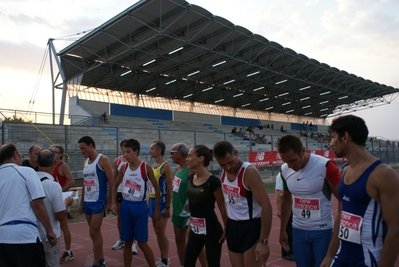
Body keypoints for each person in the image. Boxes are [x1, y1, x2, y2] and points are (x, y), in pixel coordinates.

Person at [321, 115, 399, 266]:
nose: (331, 143)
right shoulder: (344, 171)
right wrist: (329, 255)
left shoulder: (382, 174)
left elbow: (395, 229)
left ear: (345, 137)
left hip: (368, 260)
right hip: (342, 257)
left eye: (333, 137)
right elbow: (341, 215)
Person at [277, 135, 342, 267]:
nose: (290, 165)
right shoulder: (284, 170)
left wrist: (338, 231)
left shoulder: (326, 166)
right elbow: (287, 199)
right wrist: (282, 230)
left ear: (302, 150)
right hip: (298, 231)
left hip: (322, 232)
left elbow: (343, 200)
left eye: (293, 160)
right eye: (286, 161)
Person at [213, 141, 272, 267]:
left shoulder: (249, 172)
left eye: (230, 162)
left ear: (236, 153)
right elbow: (228, 203)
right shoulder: (223, 173)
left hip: (250, 227)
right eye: (223, 165)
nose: (228, 167)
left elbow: (266, 205)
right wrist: (226, 227)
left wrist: (263, 240)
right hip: (233, 226)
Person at [0, 143, 57, 266]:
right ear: (15, 155)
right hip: (25, 236)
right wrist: (49, 230)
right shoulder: (26, 172)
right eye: (20, 155)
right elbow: (37, 203)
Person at [111, 138, 161, 267]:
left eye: (128, 152)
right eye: (123, 152)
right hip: (126, 206)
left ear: (136, 152)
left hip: (140, 207)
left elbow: (156, 188)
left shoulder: (145, 167)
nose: (125, 155)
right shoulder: (123, 167)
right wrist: (112, 203)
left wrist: (156, 209)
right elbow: (115, 185)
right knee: (127, 241)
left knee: (142, 243)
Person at [184, 145, 228, 267]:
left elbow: (222, 207)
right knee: (187, 262)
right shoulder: (190, 178)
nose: (187, 159)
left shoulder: (213, 182)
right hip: (195, 229)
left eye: (189, 155)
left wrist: (226, 229)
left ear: (200, 159)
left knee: (213, 264)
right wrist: (190, 225)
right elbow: (193, 206)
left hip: (212, 231)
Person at [169, 142, 208, 267]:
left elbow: (198, 190)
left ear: (179, 153)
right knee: (179, 241)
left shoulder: (190, 169)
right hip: (177, 211)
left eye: (172, 153)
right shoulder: (177, 169)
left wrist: (194, 209)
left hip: (189, 213)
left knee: (197, 244)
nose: (170, 156)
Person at [78, 136, 114, 267]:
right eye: (80, 149)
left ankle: (96, 263)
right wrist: (81, 202)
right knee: (95, 233)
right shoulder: (85, 163)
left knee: (93, 231)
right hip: (88, 201)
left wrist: (110, 201)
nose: (81, 151)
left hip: (99, 200)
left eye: (83, 148)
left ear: (91, 146)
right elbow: (84, 183)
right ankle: (101, 260)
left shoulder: (102, 160)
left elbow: (111, 181)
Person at [37, 148, 67, 267]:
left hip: (32, 236)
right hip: (50, 236)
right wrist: (66, 204)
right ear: (55, 163)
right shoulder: (53, 186)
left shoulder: (27, 180)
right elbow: (60, 216)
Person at [148, 141, 173, 267]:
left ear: (159, 151)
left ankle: (165, 259)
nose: (149, 151)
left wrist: (168, 206)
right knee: (157, 231)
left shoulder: (166, 166)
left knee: (161, 231)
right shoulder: (153, 165)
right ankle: (163, 257)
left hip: (162, 201)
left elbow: (169, 187)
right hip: (152, 200)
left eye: (151, 149)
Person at [111, 140, 139, 254]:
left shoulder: (134, 162)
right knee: (120, 218)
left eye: (127, 149)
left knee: (131, 219)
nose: (124, 151)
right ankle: (122, 238)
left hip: (131, 192)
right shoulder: (117, 161)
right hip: (120, 192)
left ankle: (132, 242)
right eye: (123, 149)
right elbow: (114, 179)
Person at [50, 145, 76, 264]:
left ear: (60, 154)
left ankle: (68, 251)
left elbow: (71, 181)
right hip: (50, 198)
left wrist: (60, 191)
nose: (53, 153)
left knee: (63, 225)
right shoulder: (48, 164)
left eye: (55, 152)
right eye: (51, 151)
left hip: (61, 197)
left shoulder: (63, 166)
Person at [274, 172, 294, 261]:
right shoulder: (281, 175)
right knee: (287, 229)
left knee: (294, 229)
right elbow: (278, 192)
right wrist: (279, 209)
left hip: (295, 206)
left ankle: (293, 250)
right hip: (286, 205)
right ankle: (286, 252)